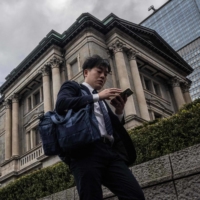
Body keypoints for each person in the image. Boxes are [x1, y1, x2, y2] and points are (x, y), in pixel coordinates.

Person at [55, 55, 145, 200]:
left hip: (109, 153)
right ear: (86, 72)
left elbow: (111, 128)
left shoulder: (102, 100)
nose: (103, 76)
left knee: (135, 195)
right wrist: (97, 97)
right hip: (85, 152)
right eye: (99, 71)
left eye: (106, 73)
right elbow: (61, 104)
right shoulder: (74, 87)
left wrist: (119, 111)